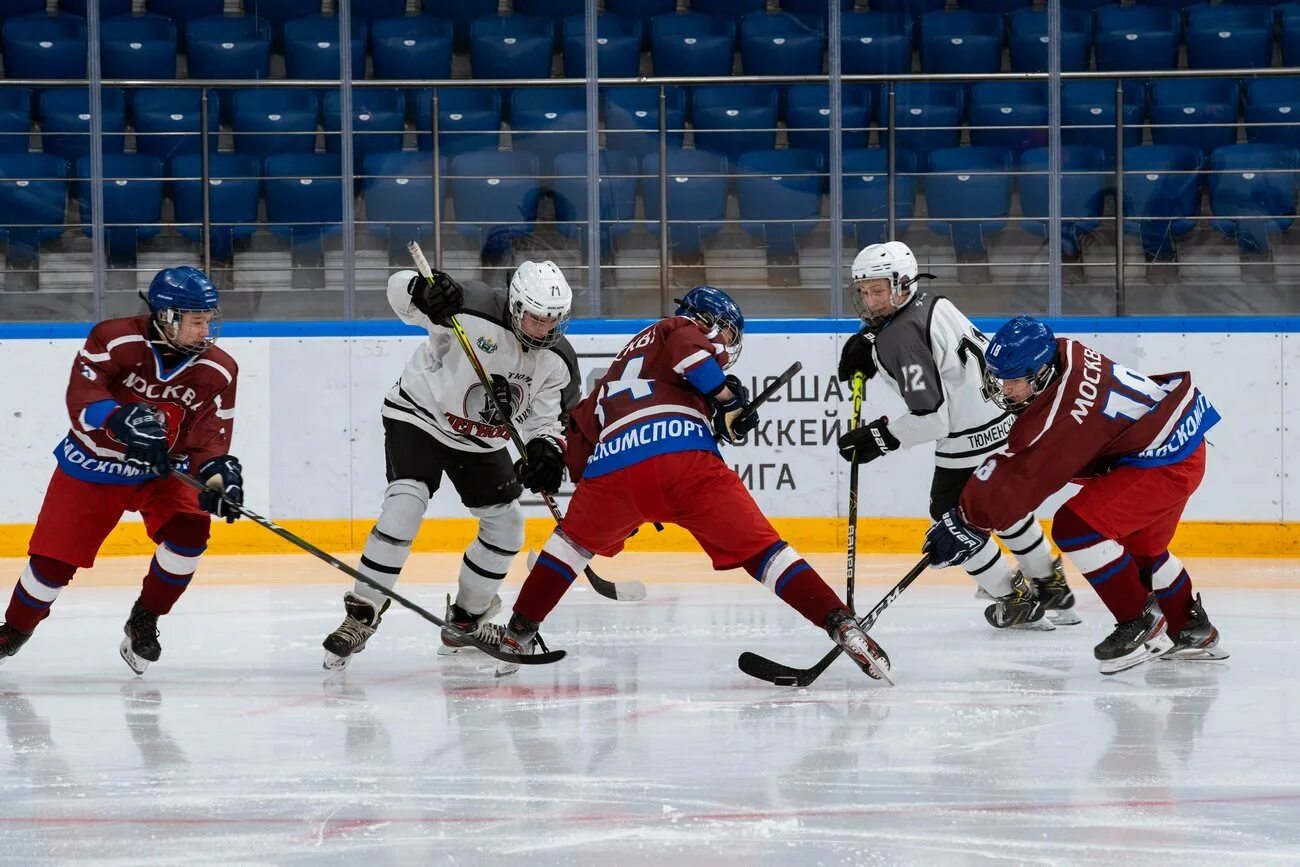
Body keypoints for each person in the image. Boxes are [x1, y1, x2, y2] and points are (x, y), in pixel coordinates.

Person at [490, 285, 891, 680]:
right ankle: (840, 622)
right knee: (764, 553)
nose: (727, 344)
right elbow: (690, 353)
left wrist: (560, 471)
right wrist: (727, 400)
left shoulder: (616, 372)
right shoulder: (678, 327)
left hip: (613, 469)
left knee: (571, 545)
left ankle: (518, 633)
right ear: (706, 321)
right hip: (686, 460)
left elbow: (578, 447)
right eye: (728, 333)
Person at [923, 316, 1228, 674]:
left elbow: (1023, 472)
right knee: (1142, 548)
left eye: (1014, 380)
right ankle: (1192, 629)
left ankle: (1139, 623)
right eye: (1000, 379)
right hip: (1176, 443)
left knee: (1076, 528)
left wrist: (968, 519)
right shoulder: (1063, 352)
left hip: (1162, 463)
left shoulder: (1061, 411)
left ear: (1040, 373)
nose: (1004, 389)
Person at [321, 261, 579, 670]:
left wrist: (546, 450)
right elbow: (398, 290)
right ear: (515, 306)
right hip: (420, 416)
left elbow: (543, 422)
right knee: (405, 503)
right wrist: (421, 291)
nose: (543, 330)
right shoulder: (469, 305)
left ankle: (465, 621)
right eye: (535, 318)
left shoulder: (557, 361)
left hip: (480, 441)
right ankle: (362, 614)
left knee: (508, 527)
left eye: (553, 320)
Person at [0, 266, 243, 674]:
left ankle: (144, 619)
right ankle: (13, 632)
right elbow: (83, 396)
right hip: (94, 464)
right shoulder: (114, 338)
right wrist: (117, 419)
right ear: (167, 316)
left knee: (190, 534)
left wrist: (217, 473)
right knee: (52, 567)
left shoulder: (219, 368)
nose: (206, 330)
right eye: (196, 321)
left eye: (208, 320)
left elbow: (210, 435)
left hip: (163, 471)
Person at [835, 242, 1076, 629]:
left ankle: (1015, 600)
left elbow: (932, 420)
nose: (869, 300)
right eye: (864, 291)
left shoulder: (898, 338)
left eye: (878, 290)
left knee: (949, 522)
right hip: (1006, 425)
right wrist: (872, 343)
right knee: (1005, 509)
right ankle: (1053, 589)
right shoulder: (935, 303)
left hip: (967, 440)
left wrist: (880, 437)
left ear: (902, 284)